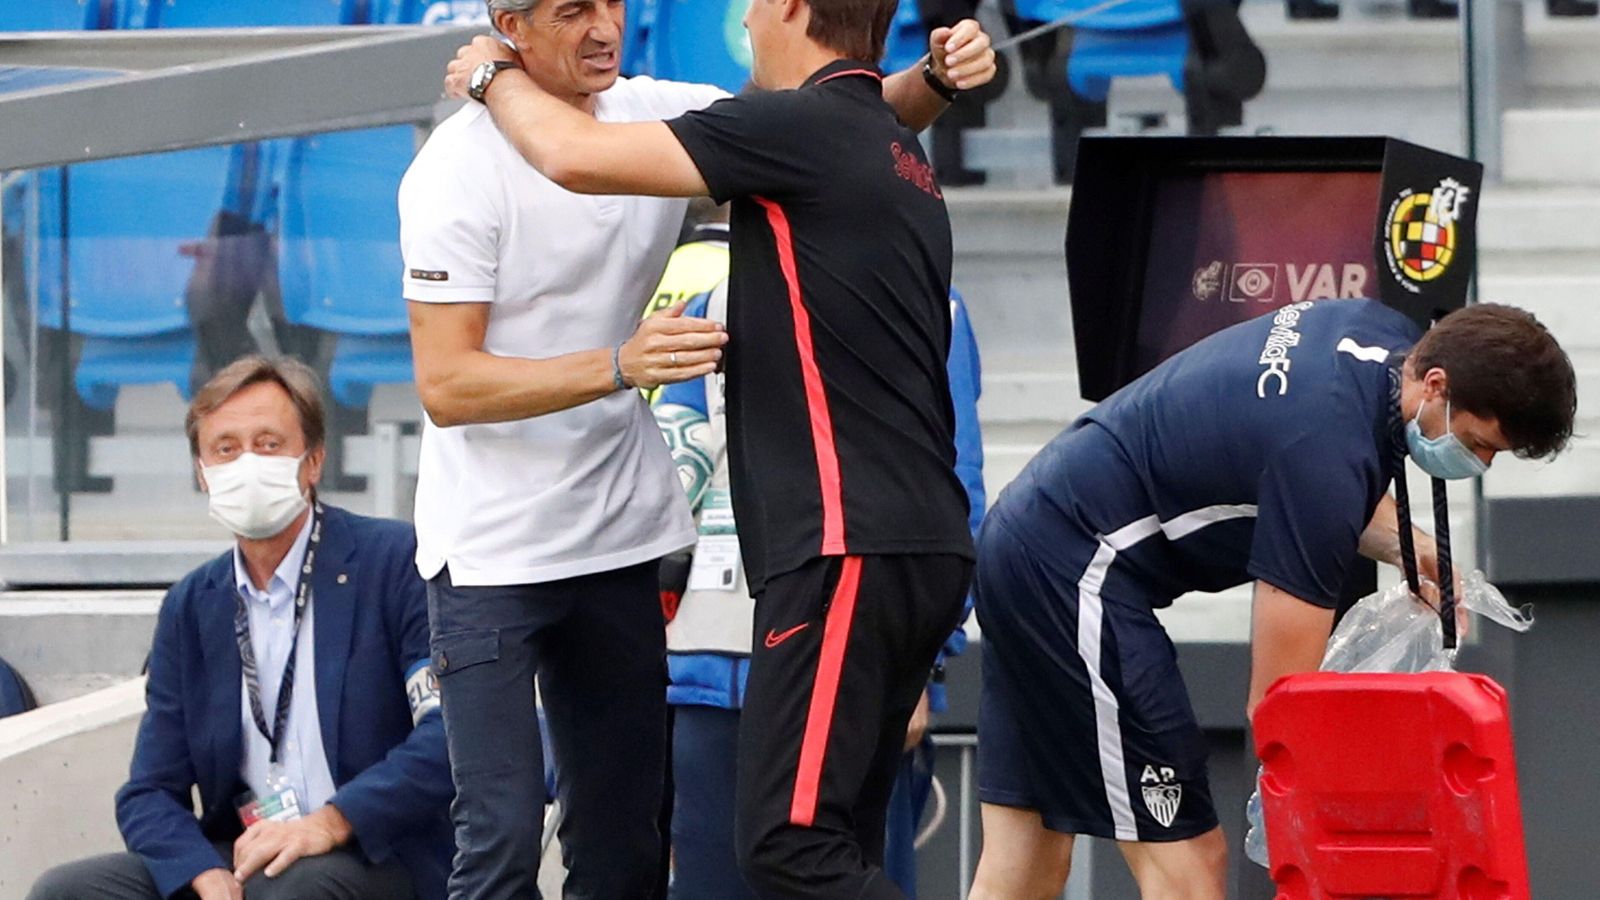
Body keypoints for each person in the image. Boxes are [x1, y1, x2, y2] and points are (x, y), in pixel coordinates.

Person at [404, 1, 995, 896]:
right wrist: (617, 364)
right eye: (575, 10)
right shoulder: (455, 169)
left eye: (614, 4)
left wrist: (492, 75)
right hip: (501, 552)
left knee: (725, 851)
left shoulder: (758, 121)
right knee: (509, 846)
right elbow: (446, 387)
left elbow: (572, 155)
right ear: (511, 18)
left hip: (770, 544)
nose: (605, 25)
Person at [966, 300, 1576, 899]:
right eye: (1479, 443)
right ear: (1437, 385)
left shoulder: (1378, 335)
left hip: (1025, 536)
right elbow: (1280, 706)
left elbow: (1304, 471)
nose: (1480, 463)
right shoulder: (1325, 456)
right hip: (1075, 571)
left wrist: (1410, 546)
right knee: (1190, 863)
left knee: (1023, 863)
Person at [28, 356, 455, 900]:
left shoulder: (393, 562)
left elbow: (448, 734)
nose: (246, 463)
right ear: (203, 474)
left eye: (269, 444)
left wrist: (330, 822)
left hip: (375, 852)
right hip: (245, 854)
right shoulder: (192, 604)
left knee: (295, 888)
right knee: (66, 891)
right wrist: (199, 871)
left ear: (313, 462)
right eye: (225, 449)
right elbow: (149, 789)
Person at [652, 248, 986, 899]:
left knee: (836, 874)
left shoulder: (928, 301)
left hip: (851, 658)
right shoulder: (711, 304)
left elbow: (955, 488)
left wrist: (925, 662)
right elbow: (672, 470)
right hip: (711, 667)